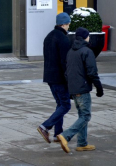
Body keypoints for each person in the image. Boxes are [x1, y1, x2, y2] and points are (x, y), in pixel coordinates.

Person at [57, 27, 104, 153]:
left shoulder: (71, 51)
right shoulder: (87, 51)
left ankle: (82, 143)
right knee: (85, 116)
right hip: (82, 89)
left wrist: (70, 88)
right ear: (85, 37)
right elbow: (92, 72)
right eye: (88, 36)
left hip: (73, 89)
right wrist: (99, 87)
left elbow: (67, 73)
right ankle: (65, 135)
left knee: (81, 115)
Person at [37, 12, 72, 144]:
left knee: (60, 104)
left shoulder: (49, 36)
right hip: (59, 78)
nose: (68, 27)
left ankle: (58, 134)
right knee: (65, 105)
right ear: (63, 24)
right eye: (68, 24)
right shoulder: (63, 39)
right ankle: (45, 126)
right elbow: (64, 62)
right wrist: (69, 79)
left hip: (49, 77)